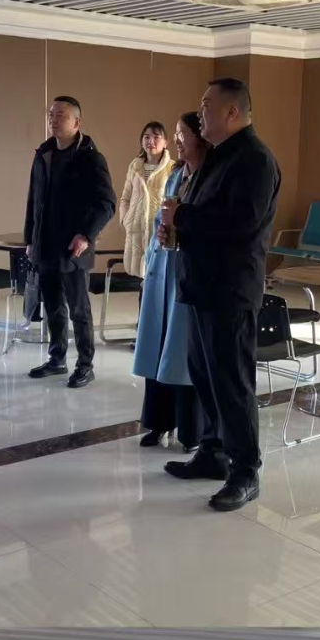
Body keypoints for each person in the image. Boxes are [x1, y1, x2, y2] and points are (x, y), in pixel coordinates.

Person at [159, 78, 280, 512]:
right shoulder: (216, 157)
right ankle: (213, 452)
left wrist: (183, 217)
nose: (200, 111)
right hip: (201, 284)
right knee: (205, 376)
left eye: (207, 105)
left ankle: (246, 471)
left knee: (232, 384)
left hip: (230, 290)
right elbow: (198, 213)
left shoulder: (255, 160)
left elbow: (239, 226)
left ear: (232, 112)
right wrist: (175, 228)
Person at [23, 95, 116, 390]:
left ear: (77, 122)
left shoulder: (90, 157)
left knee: (78, 309)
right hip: (45, 245)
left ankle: (85, 365)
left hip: (74, 247)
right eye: (51, 114)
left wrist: (86, 234)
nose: (53, 119)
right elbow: (33, 201)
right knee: (52, 306)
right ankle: (57, 359)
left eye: (61, 115)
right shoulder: (44, 153)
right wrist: (30, 238)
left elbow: (107, 203)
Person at [135, 111, 209, 450]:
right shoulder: (177, 175)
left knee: (181, 352)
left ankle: (191, 431)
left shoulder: (210, 178)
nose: (177, 140)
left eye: (182, 134)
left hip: (187, 272)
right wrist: (161, 234)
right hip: (163, 268)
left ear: (200, 138)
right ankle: (158, 422)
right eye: (176, 134)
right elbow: (160, 218)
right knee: (158, 344)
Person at [119, 121, 173, 280]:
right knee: (141, 281)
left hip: (160, 232)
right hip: (136, 231)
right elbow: (125, 198)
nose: (151, 141)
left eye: (156, 137)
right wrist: (125, 220)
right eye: (147, 137)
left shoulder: (173, 168)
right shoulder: (134, 166)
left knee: (158, 280)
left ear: (165, 142)